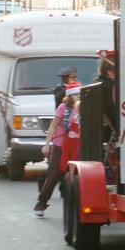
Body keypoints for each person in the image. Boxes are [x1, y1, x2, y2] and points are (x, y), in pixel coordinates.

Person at [34, 82, 81, 217]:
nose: (79, 97)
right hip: (60, 145)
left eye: (80, 94)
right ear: (70, 96)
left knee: (77, 177)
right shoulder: (63, 108)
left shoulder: (82, 107)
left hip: (76, 145)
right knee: (53, 175)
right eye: (77, 94)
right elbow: (53, 127)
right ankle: (41, 203)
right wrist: (47, 144)